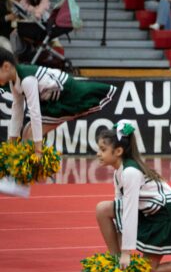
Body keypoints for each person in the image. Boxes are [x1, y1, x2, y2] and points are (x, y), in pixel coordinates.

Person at [0, 48, 117, 197]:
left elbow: (35, 113)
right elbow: (16, 112)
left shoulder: (27, 79)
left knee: (30, 131)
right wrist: (11, 145)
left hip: (70, 99)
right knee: (26, 132)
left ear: (6, 66)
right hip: (56, 101)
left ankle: (20, 183)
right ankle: (17, 179)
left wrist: (38, 151)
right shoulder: (14, 81)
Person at [94, 122, 171, 272]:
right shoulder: (118, 172)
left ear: (119, 151)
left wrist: (126, 252)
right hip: (148, 212)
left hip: (164, 216)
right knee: (103, 209)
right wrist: (122, 253)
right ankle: (114, 260)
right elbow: (120, 214)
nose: (98, 153)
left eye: (103, 150)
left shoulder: (130, 173)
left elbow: (129, 213)